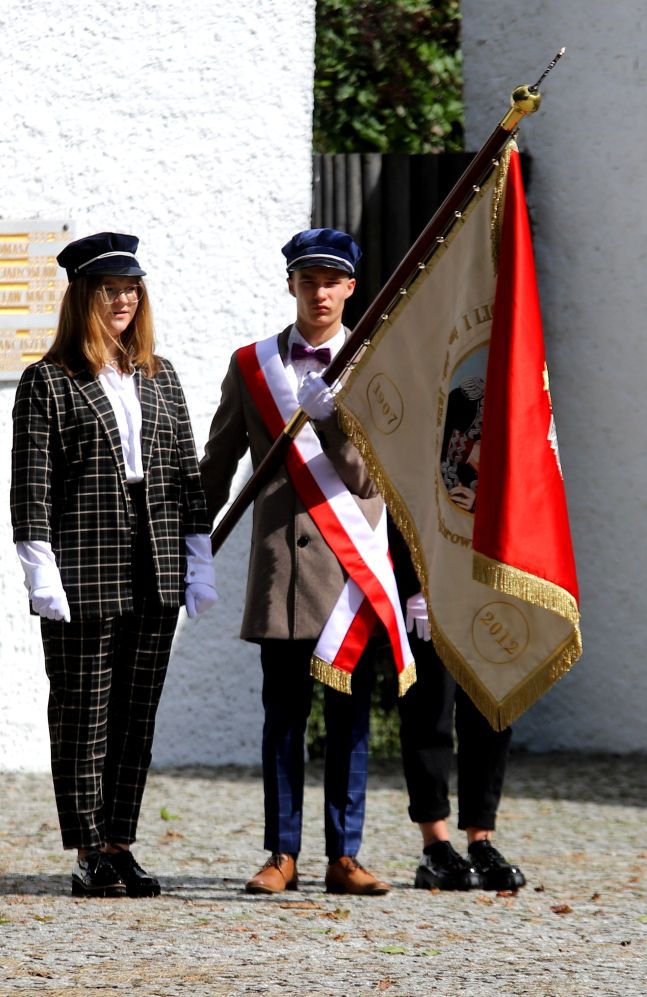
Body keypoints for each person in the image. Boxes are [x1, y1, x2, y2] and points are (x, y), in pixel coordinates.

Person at [10, 231, 216, 898]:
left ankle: (121, 843)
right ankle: (87, 848)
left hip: (155, 559)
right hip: (85, 561)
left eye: (132, 288)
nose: (124, 299)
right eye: (110, 289)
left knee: (136, 712)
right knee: (83, 711)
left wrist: (198, 554)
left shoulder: (160, 375)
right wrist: (40, 568)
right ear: (83, 297)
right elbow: (31, 484)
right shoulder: (48, 380)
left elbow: (187, 472)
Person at [198, 228, 395, 897]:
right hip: (282, 572)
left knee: (348, 721)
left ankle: (345, 853)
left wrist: (336, 420)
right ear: (291, 285)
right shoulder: (252, 364)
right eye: (307, 279)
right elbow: (217, 462)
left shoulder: (373, 364)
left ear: (350, 289)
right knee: (282, 718)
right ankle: (281, 851)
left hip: (348, 573)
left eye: (330, 280)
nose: (318, 292)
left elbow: (370, 483)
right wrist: (190, 541)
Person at [391, 523, 528, 892]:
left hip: (488, 575)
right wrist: (416, 576)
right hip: (426, 573)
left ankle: (480, 840)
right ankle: (435, 845)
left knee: (491, 711)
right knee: (429, 709)